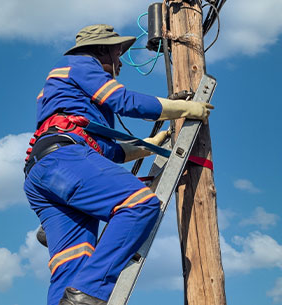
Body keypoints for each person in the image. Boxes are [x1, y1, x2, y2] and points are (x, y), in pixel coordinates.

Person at [23, 24, 213, 305]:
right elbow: (124, 101)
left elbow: (108, 152)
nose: (120, 61)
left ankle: (78, 291)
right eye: (117, 53)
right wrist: (185, 108)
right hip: (64, 158)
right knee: (139, 204)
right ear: (101, 51)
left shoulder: (72, 99)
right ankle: (89, 293)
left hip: (44, 170)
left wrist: (152, 146)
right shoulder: (80, 64)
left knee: (73, 262)